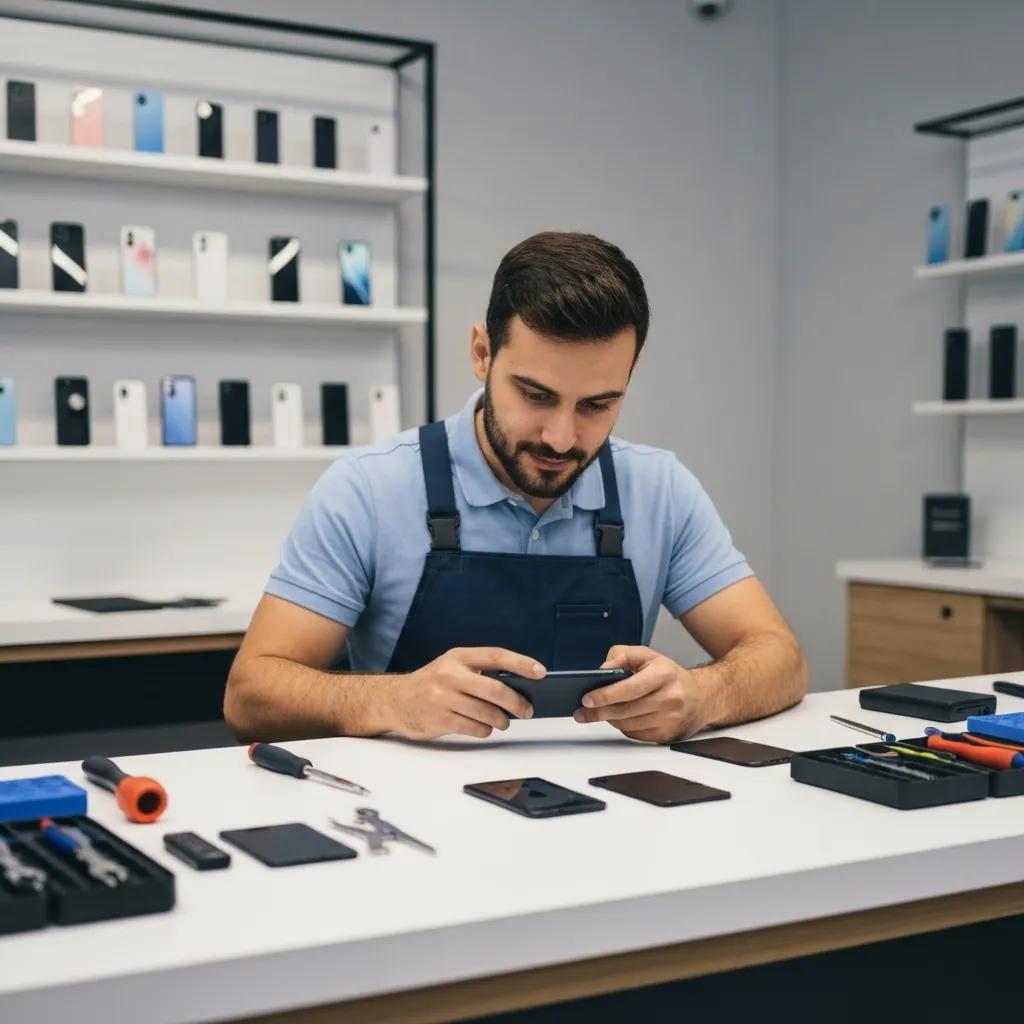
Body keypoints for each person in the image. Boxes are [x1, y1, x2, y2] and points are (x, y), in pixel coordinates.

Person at [224, 231, 807, 745]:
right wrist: (393, 700)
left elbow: (779, 657)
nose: (561, 438)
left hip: (615, 821)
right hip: (414, 829)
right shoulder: (369, 488)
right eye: (536, 395)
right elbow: (252, 693)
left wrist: (702, 695)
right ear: (482, 353)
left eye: (598, 405)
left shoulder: (660, 489)